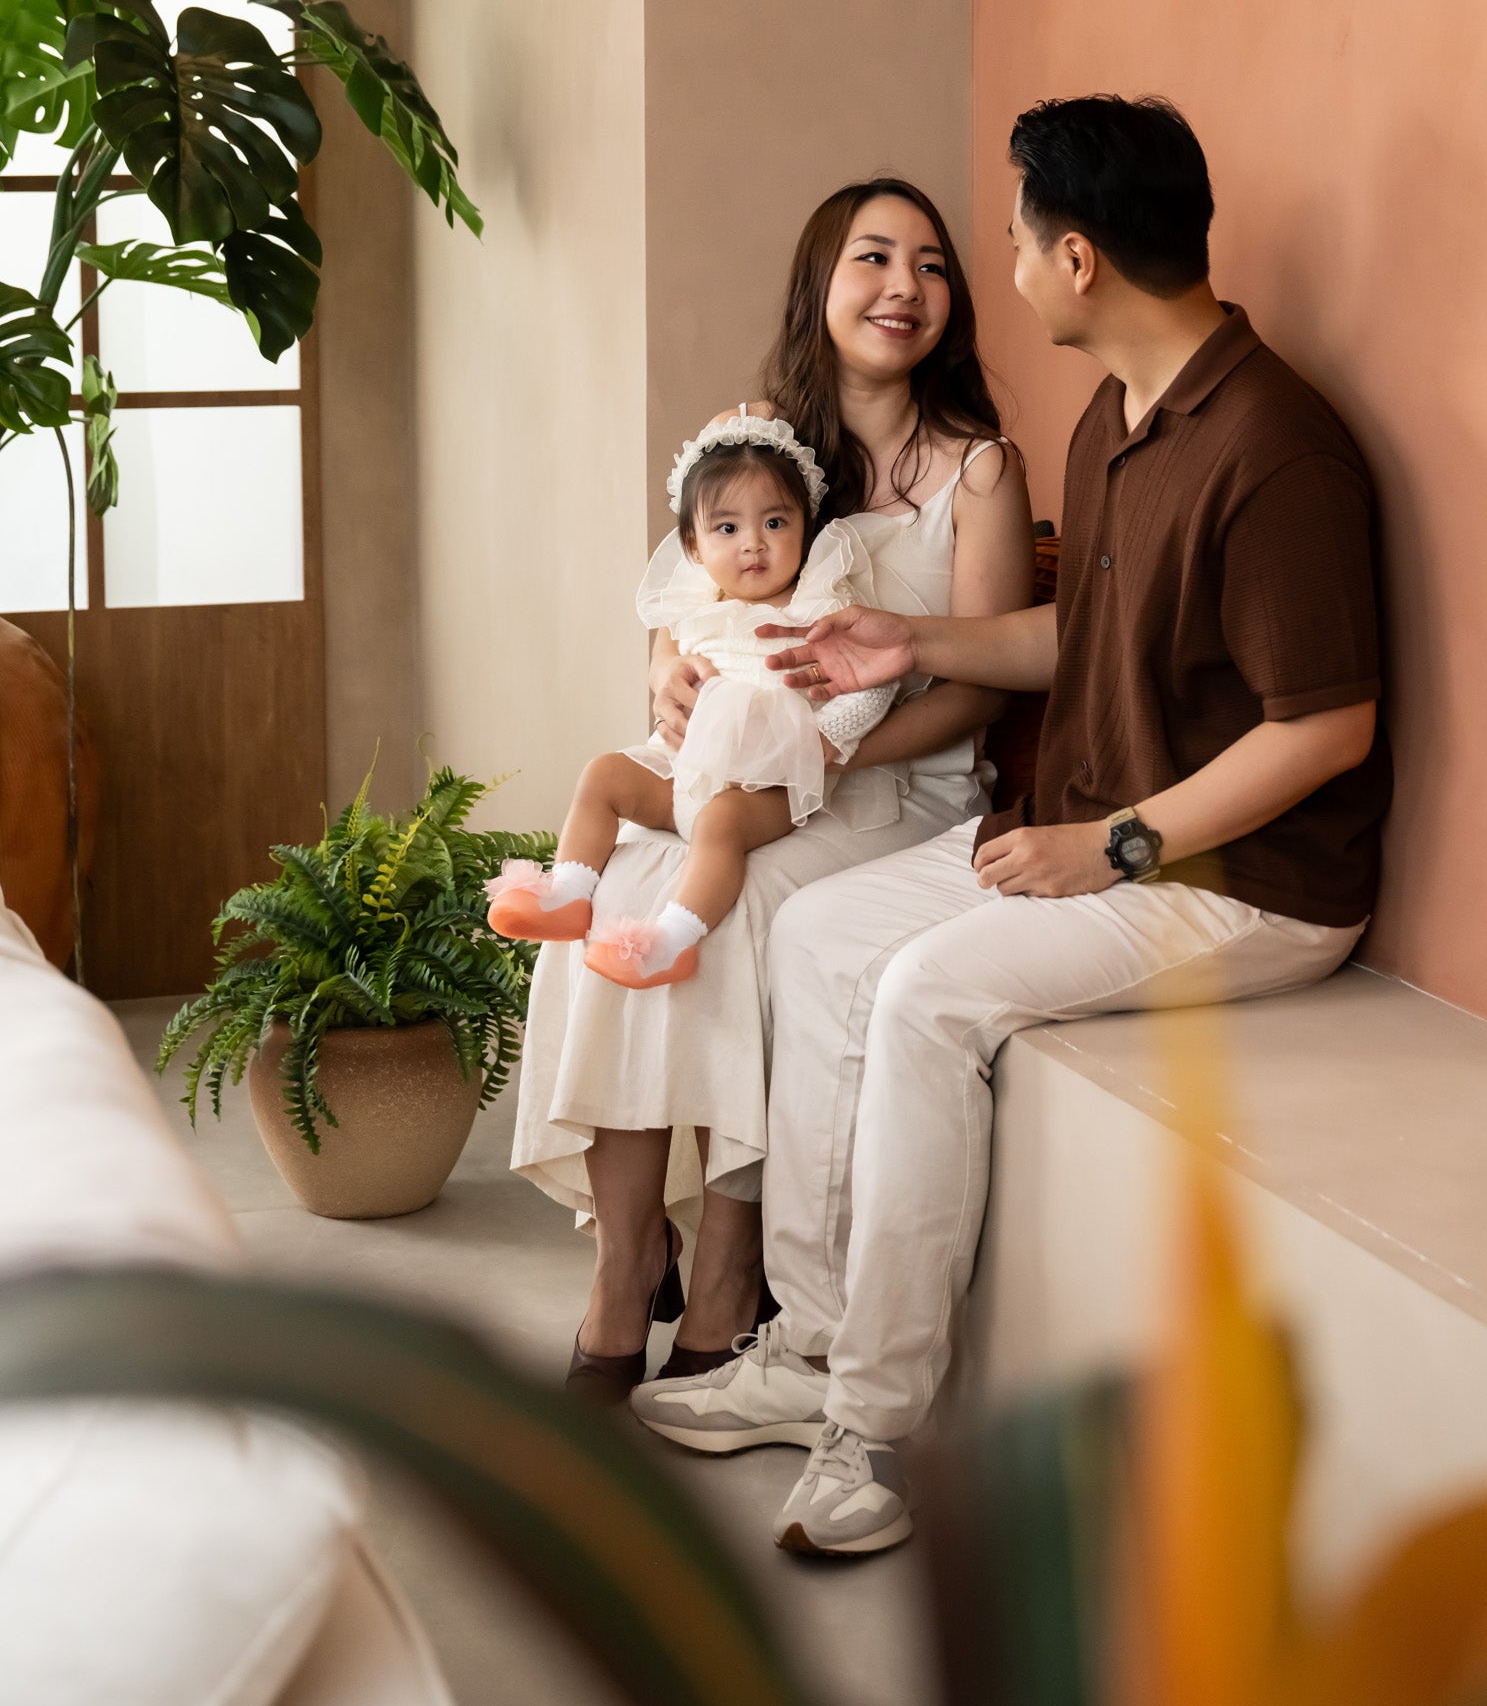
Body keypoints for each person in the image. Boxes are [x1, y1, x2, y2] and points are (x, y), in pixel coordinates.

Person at [631, 94, 1393, 1563]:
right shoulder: (1118, 417)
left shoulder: (1276, 449)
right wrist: (905, 642)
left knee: (924, 995)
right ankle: (811, 1344)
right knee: (817, 931)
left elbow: (1325, 729)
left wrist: (1108, 848)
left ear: (1079, 258)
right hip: (1099, 822)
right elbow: (1077, 638)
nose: (1007, 265)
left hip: (1244, 881)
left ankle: (875, 1431)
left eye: (1017, 239)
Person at [510, 179, 1035, 1399]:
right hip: (734, 768)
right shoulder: (750, 434)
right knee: (618, 889)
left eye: (932, 264)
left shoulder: (981, 471)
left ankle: (731, 1266)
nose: (904, 286)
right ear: (820, 283)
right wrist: (665, 674)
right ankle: (629, 1258)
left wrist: (833, 754)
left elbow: (982, 685)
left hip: (893, 788)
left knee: (738, 909)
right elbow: (683, 598)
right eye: (873, 257)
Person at [486, 418, 896, 988]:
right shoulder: (695, 608)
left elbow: (875, 680)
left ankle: (671, 941)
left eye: (775, 522)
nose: (753, 543)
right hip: (681, 769)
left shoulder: (819, 605)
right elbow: (670, 676)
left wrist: (827, 738)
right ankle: (568, 894)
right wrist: (673, 682)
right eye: (727, 528)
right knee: (603, 774)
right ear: (693, 546)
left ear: (805, 529)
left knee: (720, 824)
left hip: (766, 783)